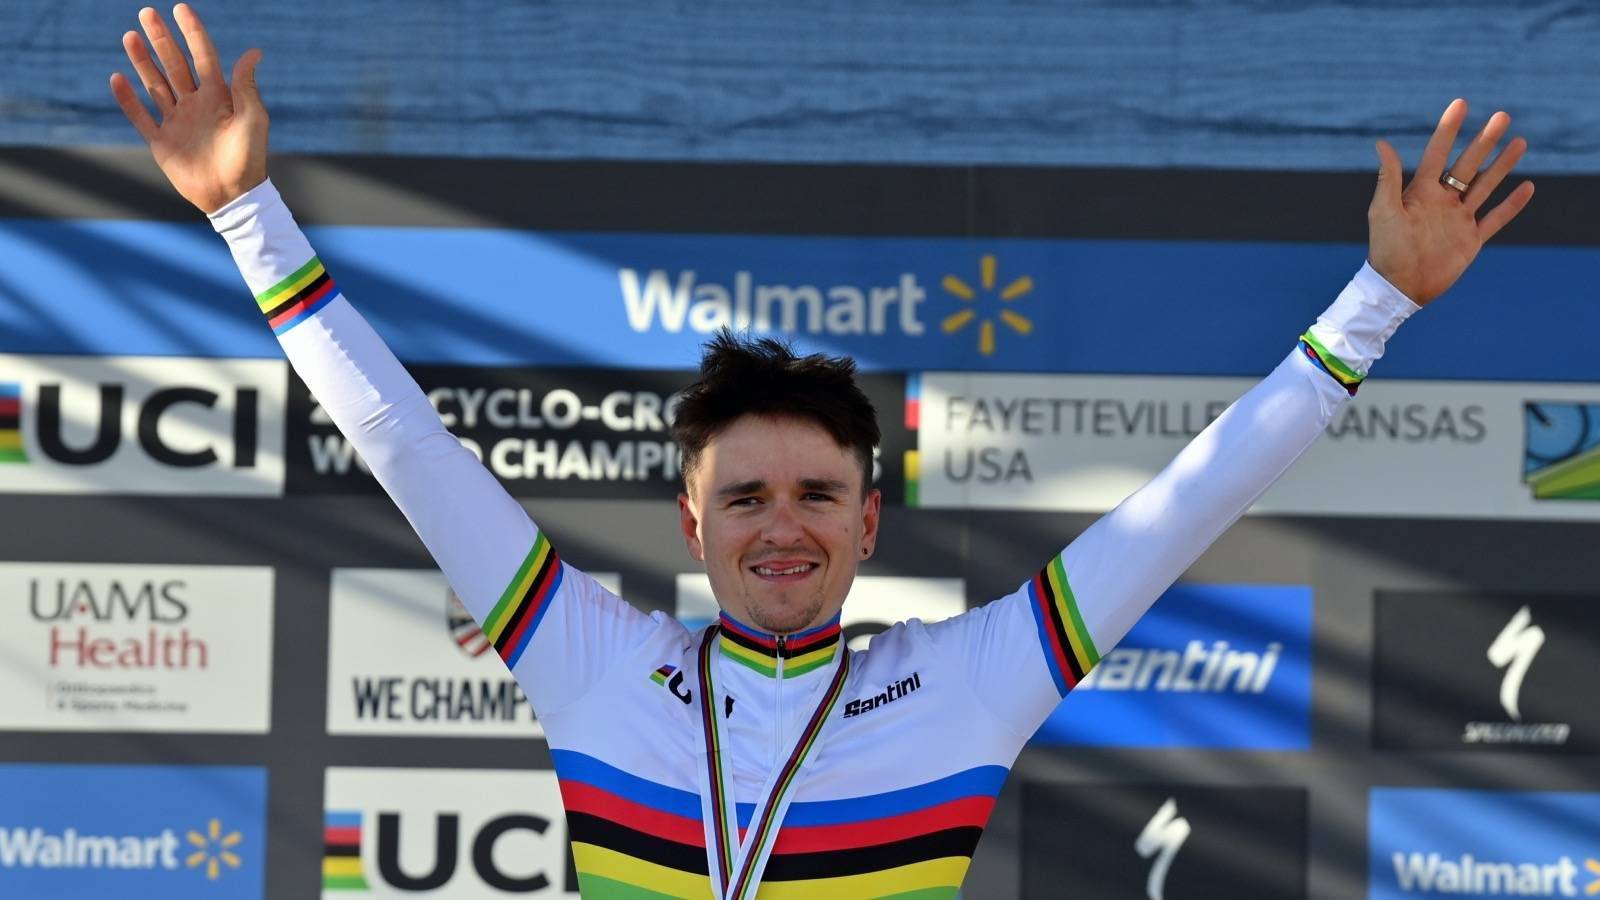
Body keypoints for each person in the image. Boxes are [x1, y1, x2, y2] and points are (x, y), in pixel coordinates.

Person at [109, 5, 1533, 897]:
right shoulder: (593, 659)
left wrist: (1381, 301)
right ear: (689, 522)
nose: (779, 524)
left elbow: (1193, 498)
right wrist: (248, 220)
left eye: (815, 496)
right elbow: (408, 448)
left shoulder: (973, 680)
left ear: (868, 526)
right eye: (746, 498)